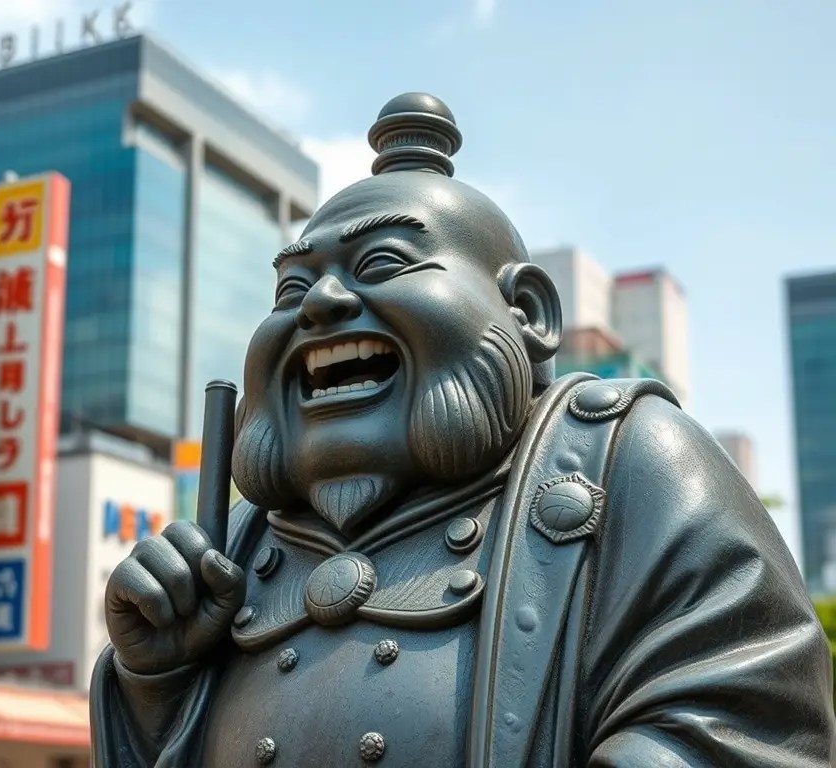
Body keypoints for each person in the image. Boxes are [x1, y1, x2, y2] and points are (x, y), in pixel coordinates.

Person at [90, 92, 836, 767]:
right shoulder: (245, 543)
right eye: (291, 285)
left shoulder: (626, 462)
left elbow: (739, 718)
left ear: (530, 314)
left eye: (384, 262)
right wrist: (156, 684)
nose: (318, 303)